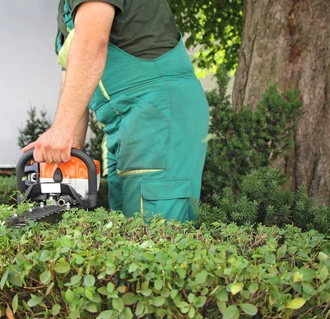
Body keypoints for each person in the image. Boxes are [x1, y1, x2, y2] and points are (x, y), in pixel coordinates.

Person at [22, 0, 209, 222]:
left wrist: (61, 129)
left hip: (157, 112)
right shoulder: (65, 8)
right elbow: (73, 78)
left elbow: (92, 45)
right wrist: (69, 152)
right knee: (125, 231)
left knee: (155, 238)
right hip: (123, 123)